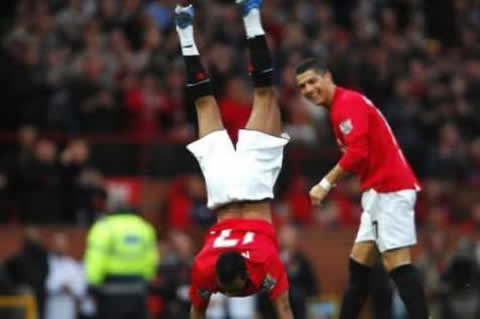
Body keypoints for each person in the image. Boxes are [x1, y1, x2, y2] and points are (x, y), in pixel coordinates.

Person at [174, 1, 293, 318]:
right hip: (223, 185)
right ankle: (184, 31)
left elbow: (284, 309)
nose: (232, 293)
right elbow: (196, 313)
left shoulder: (264, 263)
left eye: (228, 289)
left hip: (251, 185)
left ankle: (251, 14)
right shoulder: (204, 267)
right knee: (203, 103)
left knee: (266, 94)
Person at [295, 58, 429, 319]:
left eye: (312, 81)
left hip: (390, 188)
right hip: (378, 191)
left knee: (397, 264)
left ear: (328, 77)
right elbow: (363, 155)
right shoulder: (340, 108)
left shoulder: (347, 104)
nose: (308, 89)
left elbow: (357, 152)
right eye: (302, 86)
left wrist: (325, 184)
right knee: (358, 265)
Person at [84, 207, 158, 319]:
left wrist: (93, 282)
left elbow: (96, 257)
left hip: (110, 290)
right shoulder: (144, 227)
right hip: (137, 289)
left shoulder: (105, 227)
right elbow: (151, 259)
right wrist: (147, 279)